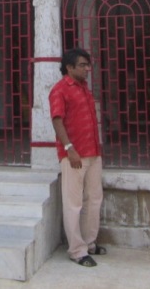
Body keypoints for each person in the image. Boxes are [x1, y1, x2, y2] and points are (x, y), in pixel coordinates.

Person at [49, 48, 105, 267]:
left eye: (87, 64)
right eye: (82, 65)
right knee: (73, 203)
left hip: (93, 152)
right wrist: (69, 147)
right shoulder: (60, 90)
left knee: (93, 198)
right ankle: (77, 250)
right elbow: (57, 120)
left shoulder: (84, 89)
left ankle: (90, 243)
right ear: (69, 67)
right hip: (73, 154)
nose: (87, 68)